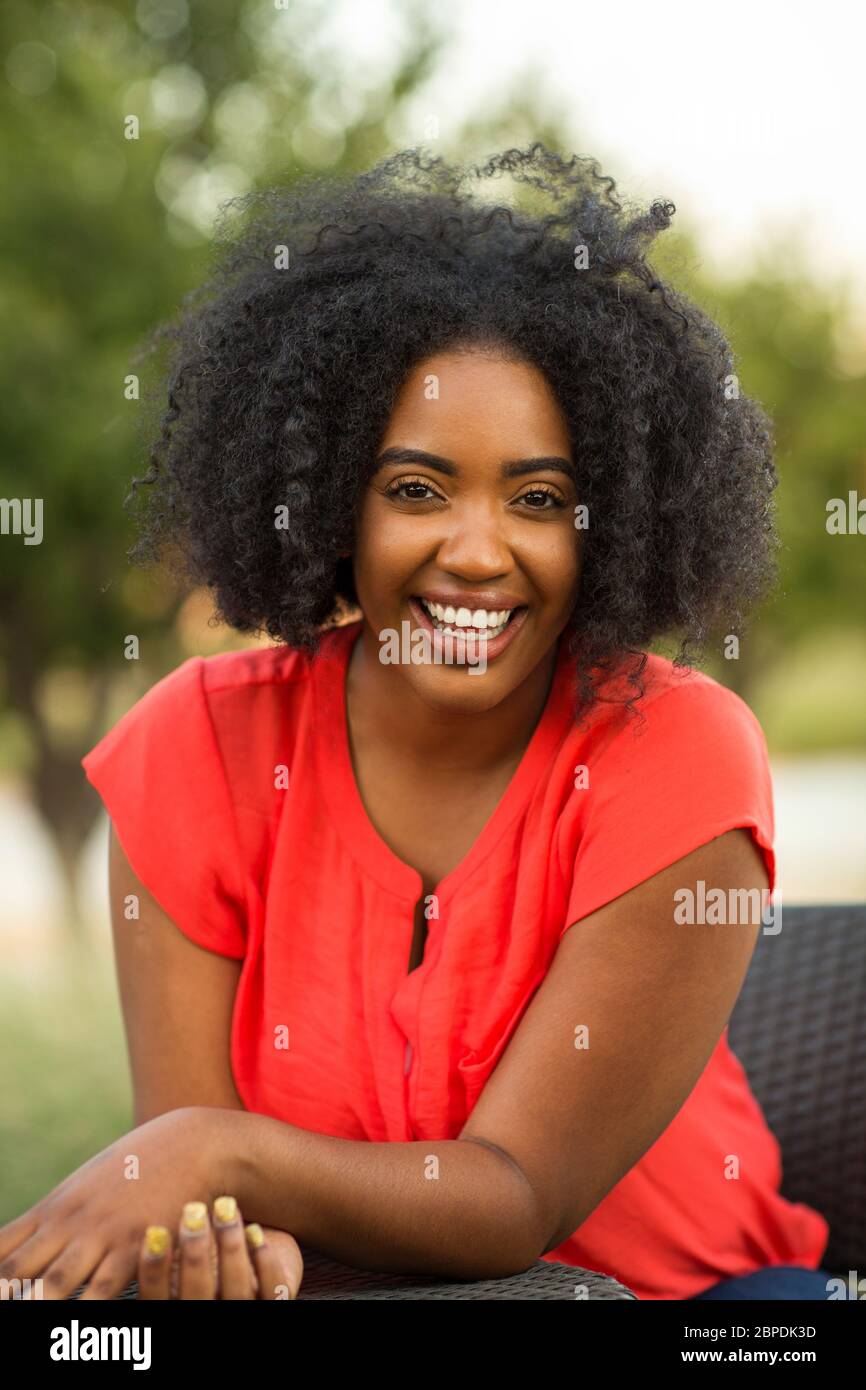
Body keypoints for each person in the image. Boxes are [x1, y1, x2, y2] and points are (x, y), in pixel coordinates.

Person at [0, 146, 832, 1301]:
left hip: (693, 1311)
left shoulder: (676, 750)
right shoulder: (199, 747)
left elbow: (513, 1198)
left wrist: (214, 1154)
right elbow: (202, 1213)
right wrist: (228, 1249)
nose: (478, 551)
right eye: (415, 489)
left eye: (538, 499)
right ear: (335, 498)